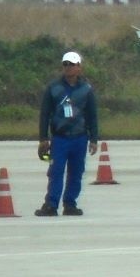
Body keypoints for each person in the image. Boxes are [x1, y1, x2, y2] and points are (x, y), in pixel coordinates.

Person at [36, 51, 99, 217]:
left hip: (79, 138)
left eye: (72, 64)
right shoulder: (54, 88)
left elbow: (92, 115)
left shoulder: (86, 90)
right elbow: (45, 114)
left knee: (76, 172)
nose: (68, 68)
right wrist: (43, 138)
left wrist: (93, 139)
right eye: (65, 64)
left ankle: (70, 203)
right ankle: (51, 204)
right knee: (56, 171)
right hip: (59, 138)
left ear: (79, 67)